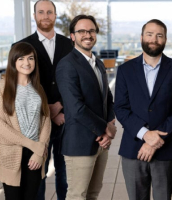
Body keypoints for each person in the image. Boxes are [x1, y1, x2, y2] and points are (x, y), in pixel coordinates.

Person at [114, 19, 172, 200]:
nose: (154, 39)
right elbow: (121, 108)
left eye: (159, 35)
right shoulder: (125, 70)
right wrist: (146, 134)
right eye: (149, 34)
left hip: (166, 148)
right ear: (141, 37)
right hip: (133, 148)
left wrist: (155, 139)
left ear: (165, 39)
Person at [14, 0, 73, 199]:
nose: (45, 16)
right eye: (41, 12)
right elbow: (18, 85)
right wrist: (48, 110)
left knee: (65, 176)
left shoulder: (70, 44)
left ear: (55, 16)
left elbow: (76, 80)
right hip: (35, 123)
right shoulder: (22, 46)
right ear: (34, 15)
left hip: (66, 119)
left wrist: (59, 107)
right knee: (37, 174)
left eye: (49, 12)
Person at [56, 15, 116, 200]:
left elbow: (106, 96)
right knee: (77, 195)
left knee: (92, 194)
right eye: (81, 31)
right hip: (80, 142)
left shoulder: (97, 63)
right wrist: (105, 129)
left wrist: (111, 122)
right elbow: (75, 108)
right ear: (72, 36)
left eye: (91, 30)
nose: (87, 35)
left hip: (101, 142)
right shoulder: (67, 65)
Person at [0, 42, 51, 199]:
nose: (27, 63)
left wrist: (40, 150)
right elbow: (0, 126)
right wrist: (34, 145)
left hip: (35, 152)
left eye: (31, 58)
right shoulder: (0, 87)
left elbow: (45, 120)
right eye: (21, 58)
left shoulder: (38, 88)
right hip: (12, 151)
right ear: (13, 61)